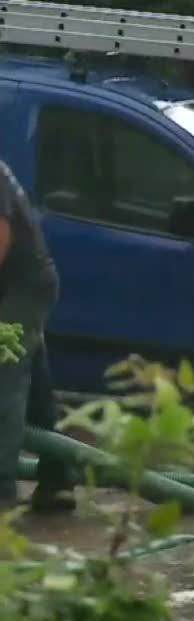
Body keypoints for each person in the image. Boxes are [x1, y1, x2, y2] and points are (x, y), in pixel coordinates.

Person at [0, 159, 75, 514]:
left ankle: (1, 491)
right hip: (16, 288)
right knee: (36, 389)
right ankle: (58, 481)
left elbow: (1, 232)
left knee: (5, 381)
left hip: (23, 289)